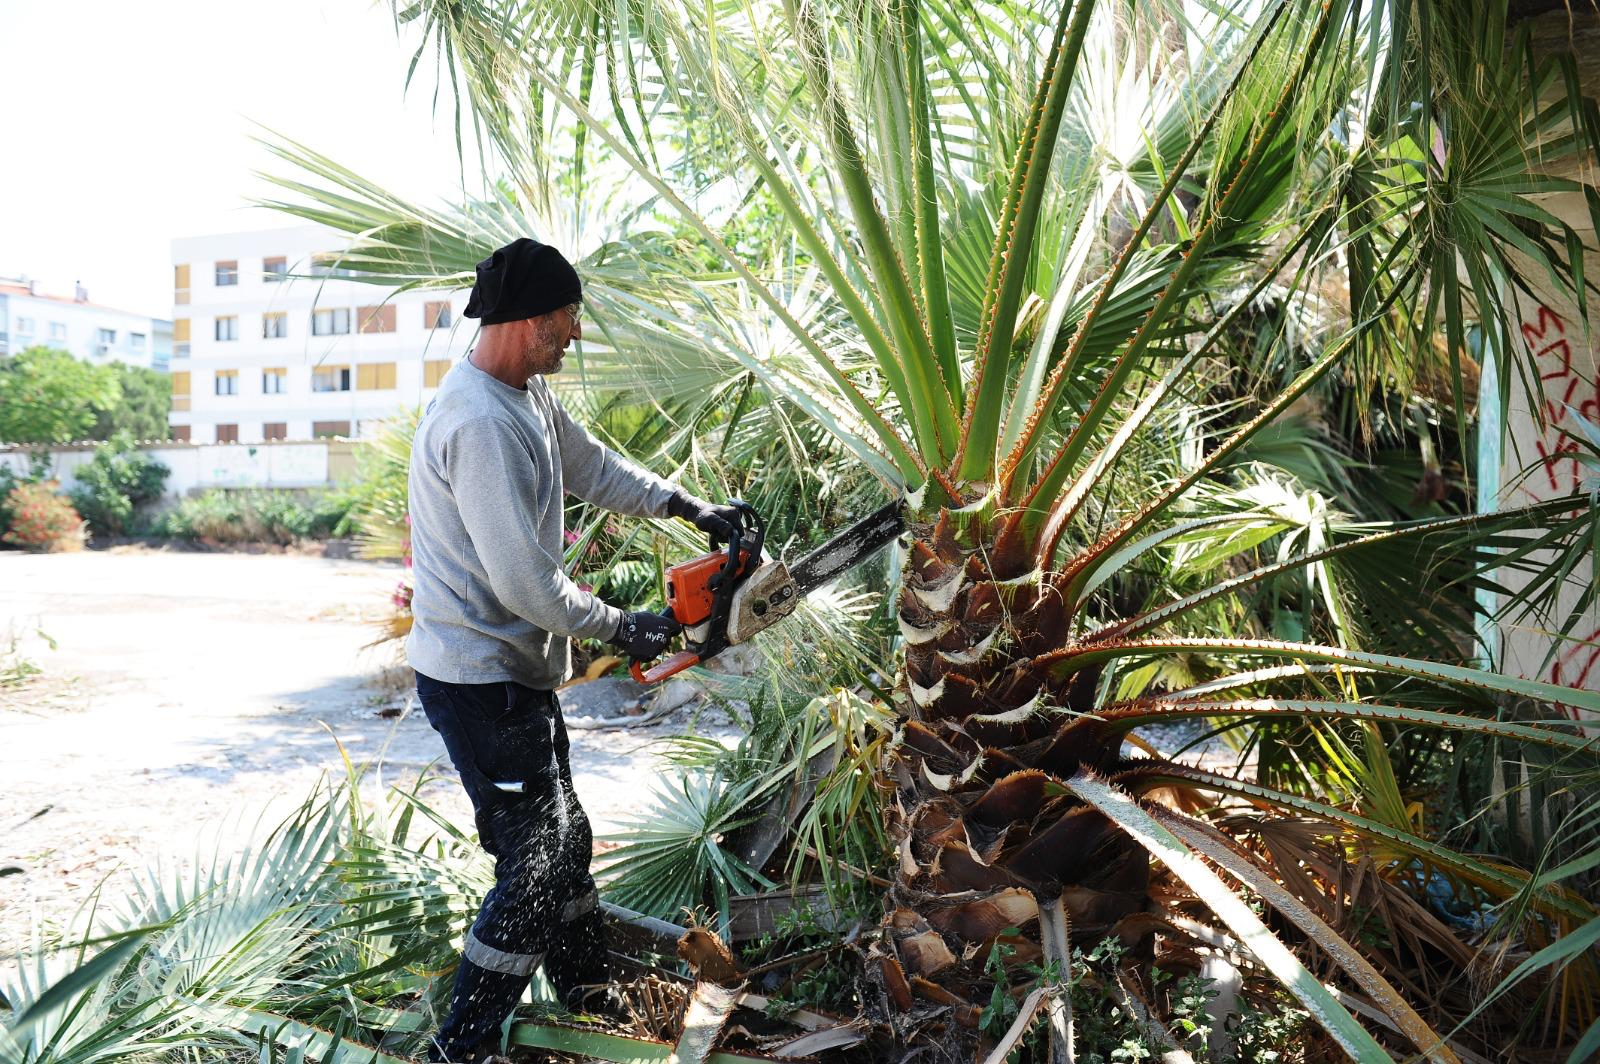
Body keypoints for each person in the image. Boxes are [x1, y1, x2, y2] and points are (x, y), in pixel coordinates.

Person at [406, 238, 739, 1061]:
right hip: (479, 679)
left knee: (564, 845)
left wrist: (687, 506)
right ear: (528, 322)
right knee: (538, 860)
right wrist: (625, 625)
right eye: (566, 321)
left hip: (513, 673)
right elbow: (526, 585)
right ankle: (467, 1044)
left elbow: (589, 465)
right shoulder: (479, 423)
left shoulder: (524, 394)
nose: (575, 336)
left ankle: (591, 1002)